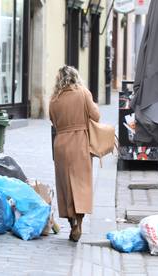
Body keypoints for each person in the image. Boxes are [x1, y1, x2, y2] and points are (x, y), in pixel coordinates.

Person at [49, 65, 100, 242]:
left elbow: (53, 122)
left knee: (66, 186)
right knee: (81, 184)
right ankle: (79, 222)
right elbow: (96, 116)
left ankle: (72, 223)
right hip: (80, 142)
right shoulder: (83, 93)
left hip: (61, 144)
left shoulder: (54, 99)